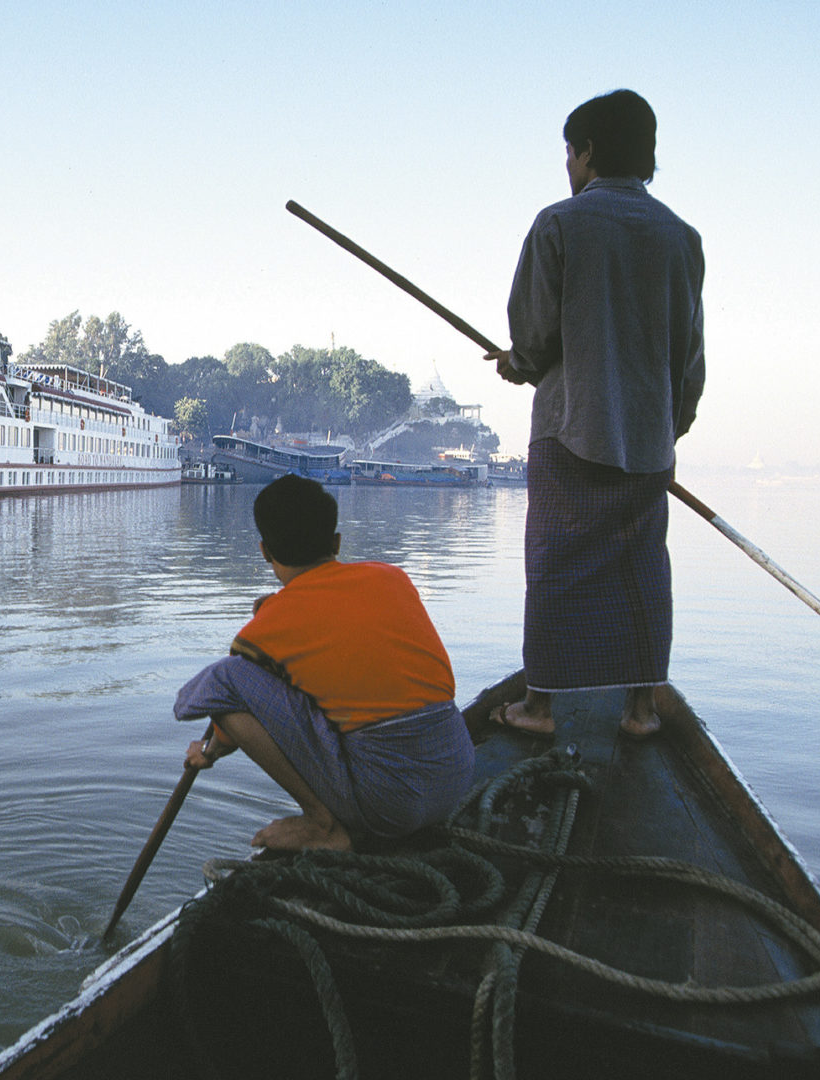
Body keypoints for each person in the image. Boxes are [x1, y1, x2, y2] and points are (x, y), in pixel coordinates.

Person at [484, 89, 706, 738]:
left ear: (587, 152)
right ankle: (640, 711)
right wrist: (669, 427)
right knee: (643, 568)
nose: (567, 167)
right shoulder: (681, 238)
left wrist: (515, 364)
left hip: (570, 432)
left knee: (555, 564)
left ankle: (542, 707)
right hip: (647, 441)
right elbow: (688, 356)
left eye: (569, 152)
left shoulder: (559, 224)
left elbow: (533, 338)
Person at [172, 474, 474, 851]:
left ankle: (321, 824)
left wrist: (211, 751)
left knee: (226, 678)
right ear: (336, 542)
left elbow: (234, 700)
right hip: (458, 776)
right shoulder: (393, 578)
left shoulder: (265, 629)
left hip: (389, 806)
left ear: (265, 551)